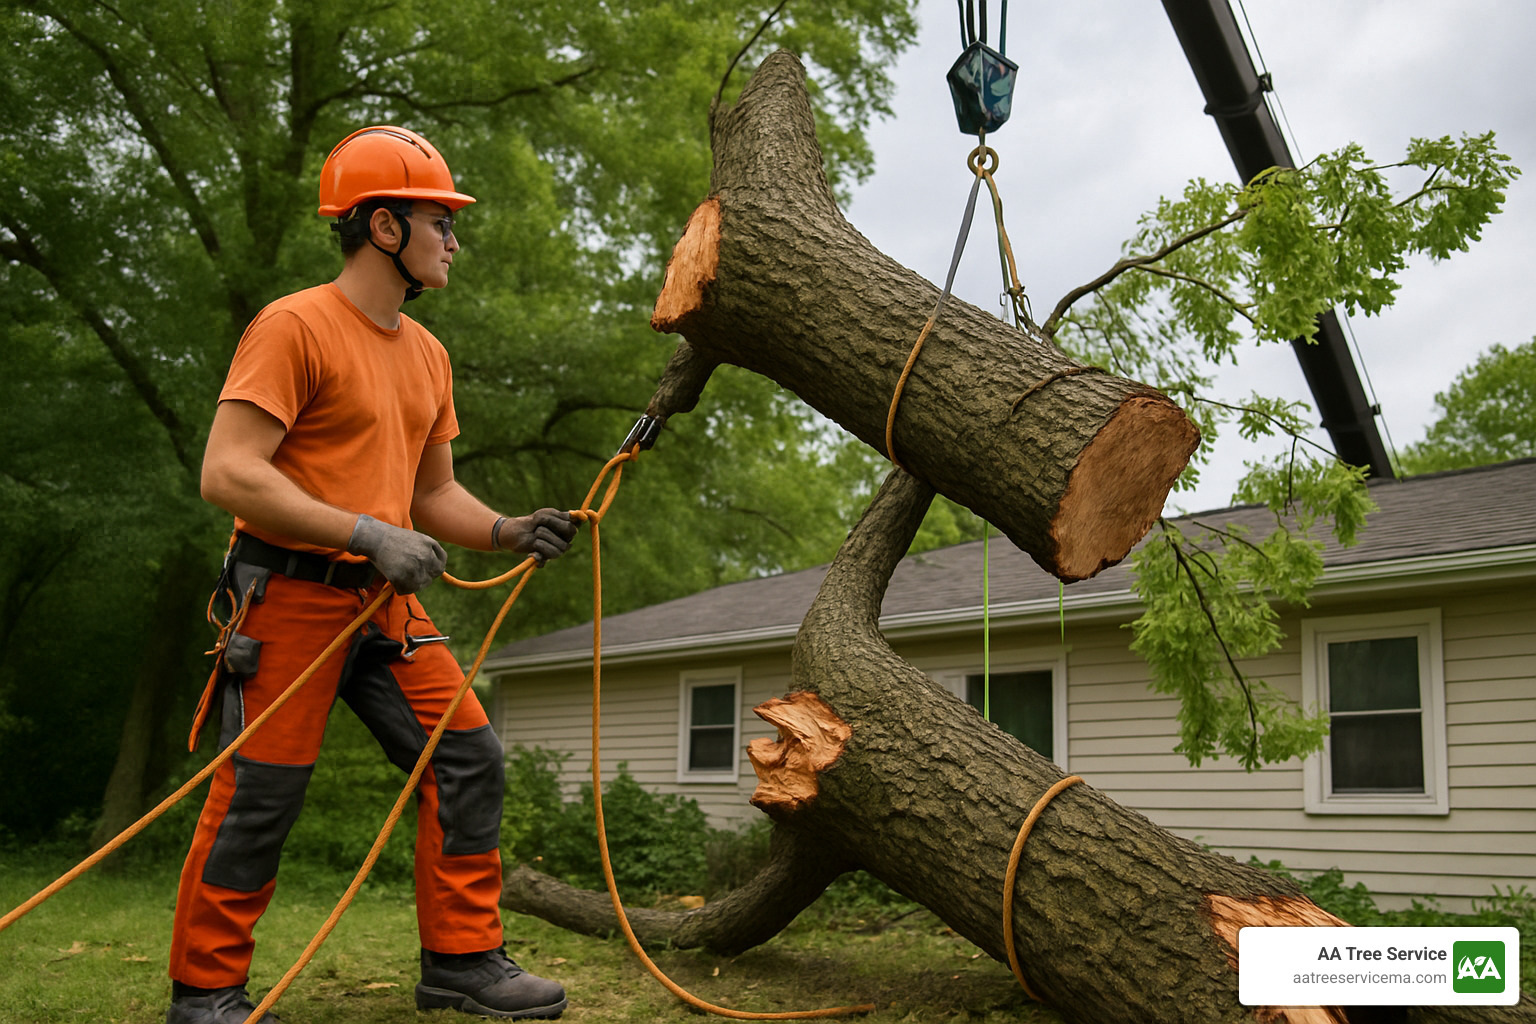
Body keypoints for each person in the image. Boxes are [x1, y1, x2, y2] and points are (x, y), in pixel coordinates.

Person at [165, 125, 577, 1024]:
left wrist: (506, 530)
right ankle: (204, 996)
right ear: (384, 227)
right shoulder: (294, 325)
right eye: (442, 221)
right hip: (286, 597)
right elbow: (228, 471)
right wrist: (362, 531)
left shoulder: (427, 355)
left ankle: (463, 965)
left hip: (383, 607)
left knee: (467, 757)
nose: (455, 240)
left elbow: (432, 494)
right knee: (259, 795)